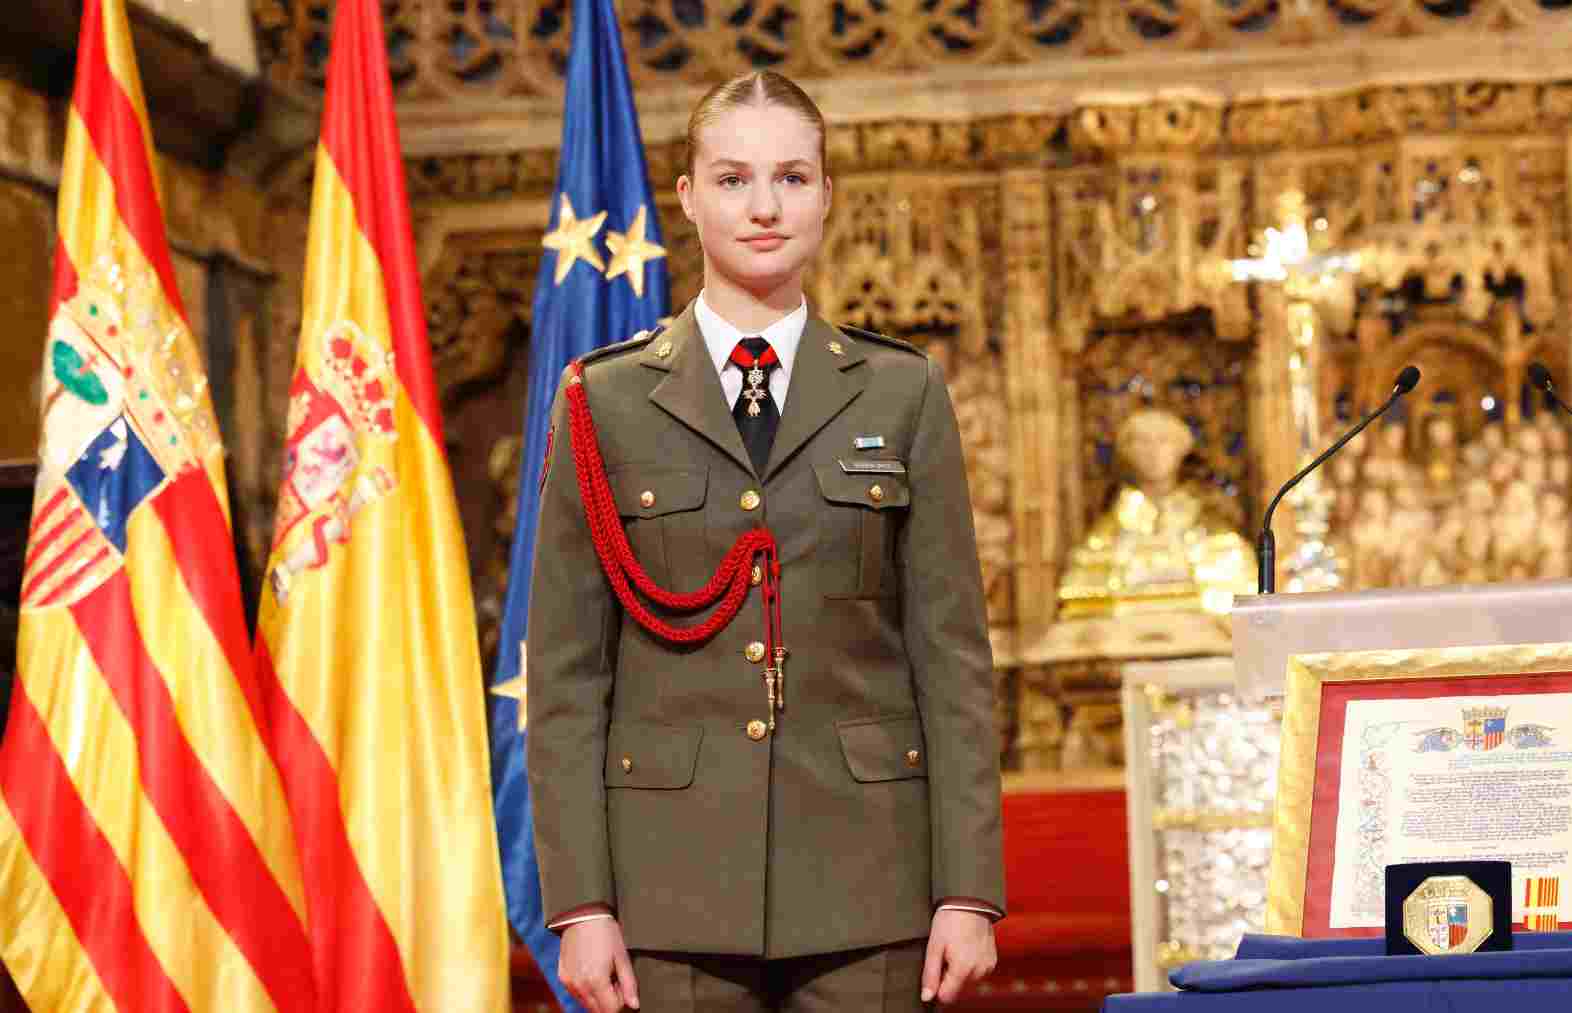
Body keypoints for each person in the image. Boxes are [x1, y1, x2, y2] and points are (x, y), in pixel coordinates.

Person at [526, 70, 1004, 1012]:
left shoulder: (902, 392)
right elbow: (569, 678)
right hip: (669, 890)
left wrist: (968, 888)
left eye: (791, 178)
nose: (763, 207)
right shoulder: (603, 402)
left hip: (872, 882)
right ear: (690, 199)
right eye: (734, 179)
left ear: (825, 195)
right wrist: (580, 902)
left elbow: (952, 662)